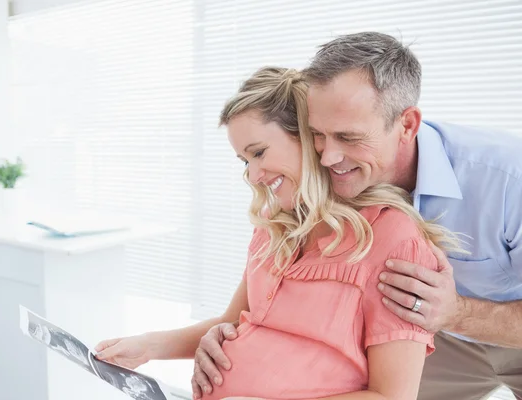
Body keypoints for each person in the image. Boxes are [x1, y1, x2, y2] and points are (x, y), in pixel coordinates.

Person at [96, 66, 463, 399]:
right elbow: (233, 320)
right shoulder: (276, 224)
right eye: (245, 160)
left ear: (307, 137)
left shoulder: (392, 240)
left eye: (259, 153)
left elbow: (392, 397)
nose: (254, 176)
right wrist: (148, 347)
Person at [195, 32, 522, 400]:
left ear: (407, 125)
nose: (328, 157)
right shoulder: (330, 184)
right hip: (436, 335)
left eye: (348, 137)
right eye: (318, 135)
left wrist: (457, 312)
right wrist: (228, 336)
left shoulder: (508, 179)